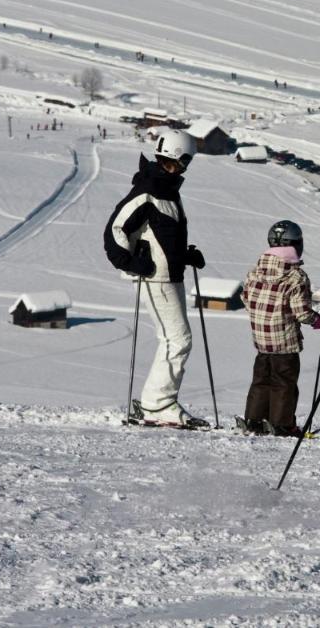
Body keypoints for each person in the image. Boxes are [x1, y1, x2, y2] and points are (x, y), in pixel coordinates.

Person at [104, 128, 208, 428]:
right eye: (187, 159)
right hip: (155, 279)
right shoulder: (148, 191)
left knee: (174, 340)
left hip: (169, 276)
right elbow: (116, 229)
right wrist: (132, 264)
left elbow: (164, 238)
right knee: (178, 340)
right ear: (179, 156)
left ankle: (156, 403)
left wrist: (186, 256)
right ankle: (157, 404)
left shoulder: (167, 190)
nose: (188, 165)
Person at [240, 220, 320, 437]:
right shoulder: (295, 277)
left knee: (261, 380)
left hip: (261, 340)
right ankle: (282, 424)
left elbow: (246, 299)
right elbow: (302, 313)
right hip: (285, 342)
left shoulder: (255, 271)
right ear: (296, 245)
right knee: (284, 384)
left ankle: (254, 421)